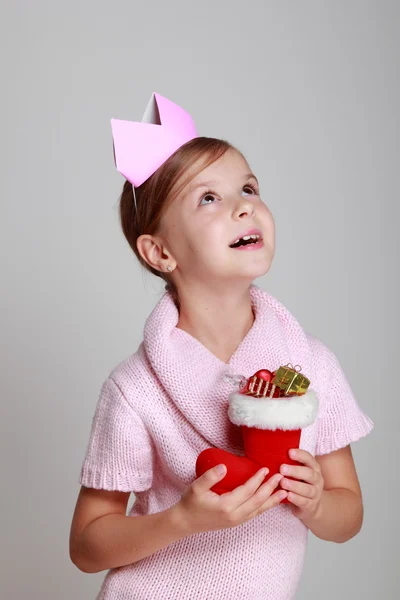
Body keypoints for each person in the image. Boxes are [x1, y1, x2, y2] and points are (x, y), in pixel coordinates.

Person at [69, 93, 374, 599]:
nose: (244, 205)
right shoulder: (135, 389)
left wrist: (318, 502)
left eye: (249, 187)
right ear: (160, 251)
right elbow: (85, 543)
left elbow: (349, 515)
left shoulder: (311, 364)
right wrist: (182, 520)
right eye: (208, 198)